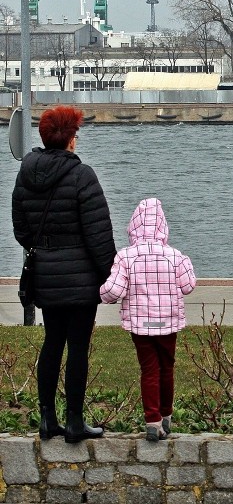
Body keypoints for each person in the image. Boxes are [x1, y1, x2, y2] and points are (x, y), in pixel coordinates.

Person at [12, 105, 116, 443]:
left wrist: (46, 249)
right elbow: (99, 236)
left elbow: (21, 230)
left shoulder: (25, 174)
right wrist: (113, 276)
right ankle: (74, 422)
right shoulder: (82, 175)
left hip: (45, 275)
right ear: (70, 139)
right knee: (78, 347)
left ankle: (46, 420)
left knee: (52, 342)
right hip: (82, 280)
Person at [100, 198, 197, 442]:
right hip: (168, 323)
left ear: (133, 227)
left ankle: (152, 420)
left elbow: (114, 290)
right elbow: (188, 286)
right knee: (167, 368)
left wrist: (100, 294)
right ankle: (166, 415)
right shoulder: (175, 256)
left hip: (140, 325)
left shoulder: (125, 257)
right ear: (163, 227)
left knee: (149, 370)